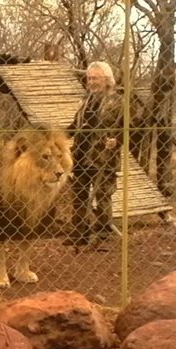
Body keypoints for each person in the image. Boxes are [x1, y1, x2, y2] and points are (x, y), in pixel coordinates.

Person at [63, 61, 134, 246]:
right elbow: (74, 126)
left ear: (107, 79)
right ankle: (80, 233)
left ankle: (103, 237)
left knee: (102, 196)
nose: (91, 81)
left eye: (95, 78)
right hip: (80, 155)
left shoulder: (118, 102)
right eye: (89, 78)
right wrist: (58, 136)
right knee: (79, 196)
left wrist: (117, 140)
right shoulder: (85, 101)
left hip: (103, 157)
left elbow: (131, 129)